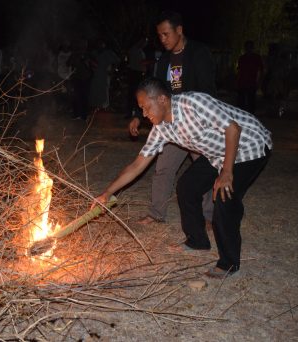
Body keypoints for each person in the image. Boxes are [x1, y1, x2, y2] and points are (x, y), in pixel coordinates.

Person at [95, 78, 272, 278]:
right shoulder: (161, 128)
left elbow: (233, 129)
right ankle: (197, 241)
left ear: (162, 99)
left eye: (146, 107)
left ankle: (229, 263)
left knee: (225, 196)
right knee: (187, 186)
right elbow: (138, 165)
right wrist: (108, 192)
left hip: (251, 145)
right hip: (217, 153)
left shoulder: (194, 103)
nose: (144, 114)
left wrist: (226, 172)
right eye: (141, 109)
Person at [128, 11, 216, 225]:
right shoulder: (164, 58)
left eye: (166, 34)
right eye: (160, 35)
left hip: (195, 125)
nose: (163, 39)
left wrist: (202, 120)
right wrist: (139, 115)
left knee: (203, 171)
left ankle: (209, 217)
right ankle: (156, 213)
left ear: (179, 30)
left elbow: (208, 91)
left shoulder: (199, 53)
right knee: (163, 169)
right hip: (171, 125)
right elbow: (153, 91)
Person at [89, 40, 120, 110]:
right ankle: (96, 106)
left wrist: (112, 70)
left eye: (101, 44)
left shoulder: (109, 53)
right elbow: (91, 62)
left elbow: (117, 61)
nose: (99, 45)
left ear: (104, 45)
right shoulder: (94, 52)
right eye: (98, 44)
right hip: (96, 74)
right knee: (95, 89)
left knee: (104, 89)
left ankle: (105, 106)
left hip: (105, 75)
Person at [236, 40, 263, 114]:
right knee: (241, 102)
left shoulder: (256, 58)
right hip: (242, 83)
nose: (248, 49)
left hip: (251, 83)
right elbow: (239, 71)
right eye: (247, 47)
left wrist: (258, 82)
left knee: (251, 102)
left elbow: (260, 71)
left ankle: (250, 116)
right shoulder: (242, 58)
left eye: (250, 47)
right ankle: (241, 116)